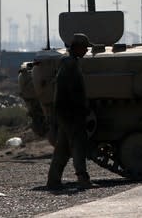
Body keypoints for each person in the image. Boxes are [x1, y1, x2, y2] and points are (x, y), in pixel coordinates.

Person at [47, 33, 93, 190]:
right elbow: (72, 91)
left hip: (64, 111)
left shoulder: (68, 61)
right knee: (78, 144)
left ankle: (53, 180)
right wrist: (81, 108)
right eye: (85, 47)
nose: (86, 50)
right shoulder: (70, 63)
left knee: (63, 147)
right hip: (71, 111)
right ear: (77, 47)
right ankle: (82, 178)